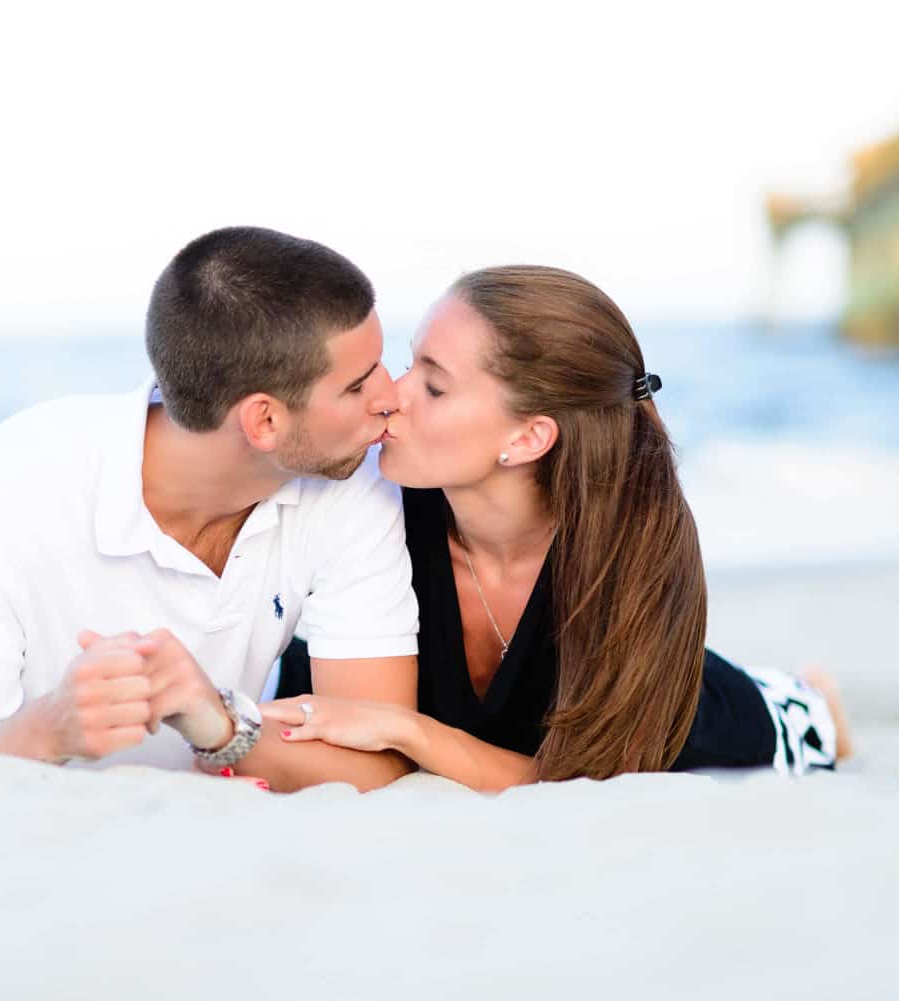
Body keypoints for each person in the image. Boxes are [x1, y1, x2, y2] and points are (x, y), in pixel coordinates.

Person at [264, 266, 851, 790]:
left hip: (651, 714)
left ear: (527, 439)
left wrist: (412, 734)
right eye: (409, 361)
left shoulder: (619, 558)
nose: (392, 394)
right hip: (424, 702)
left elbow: (581, 781)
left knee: (787, 726)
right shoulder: (375, 506)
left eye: (434, 385)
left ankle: (811, 694)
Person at [0, 226, 424, 792]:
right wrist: (47, 731)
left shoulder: (351, 479)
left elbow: (377, 767)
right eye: (358, 386)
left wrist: (216, 724)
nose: (390, 398)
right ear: (264, 421)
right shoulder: (18, 480)